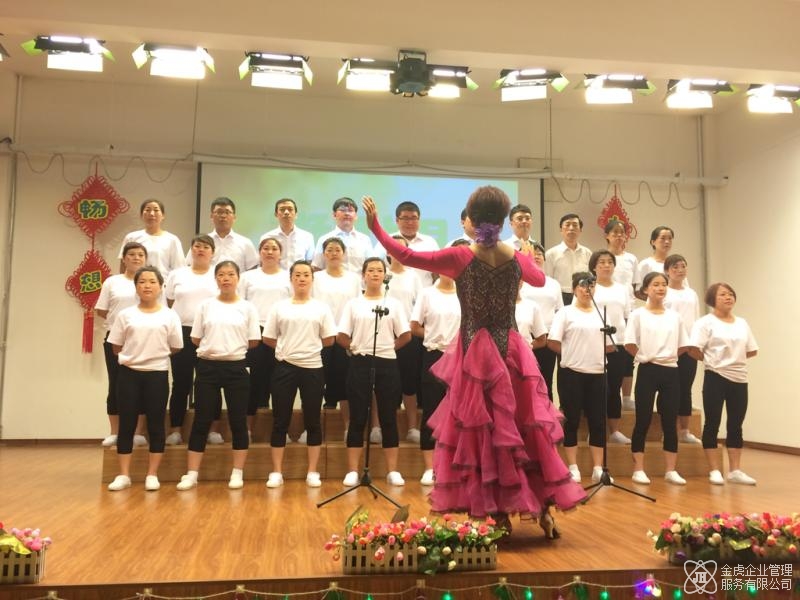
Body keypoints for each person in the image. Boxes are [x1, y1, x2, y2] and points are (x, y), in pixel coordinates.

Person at [363, 188, 585, 537]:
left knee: (485, 433)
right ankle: (543, 513)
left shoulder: (460, 256)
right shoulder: (515, 257)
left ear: (472, 219)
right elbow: (540, 280)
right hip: (511, 352)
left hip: (476, 356)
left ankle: (498, 515)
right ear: (502, 220)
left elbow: (405, 254)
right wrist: (527, 257)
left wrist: (375, 225)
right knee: (522, 431)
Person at [176, 261, 261, 490]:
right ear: (216, 279)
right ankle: (192, 474)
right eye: (221, 275)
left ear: (238, 279)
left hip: (236, 368)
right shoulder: (206, 306)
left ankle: (237, 473)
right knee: (201, 419)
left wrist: (230, 347)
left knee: (238, 421)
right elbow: (195, 338)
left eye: (231, 274)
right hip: (208, 367)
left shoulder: (247, 308)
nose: (226, 278)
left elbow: (254, 340)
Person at [106, 266, 183, 491]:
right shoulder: (125, 315)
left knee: (156, 424)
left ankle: (152, 474)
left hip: (157, 374)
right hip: (129, 374)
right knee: (127, 424)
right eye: (142, 282)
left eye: (152, 282)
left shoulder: (170, 315)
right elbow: (116, 346)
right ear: (136, 287)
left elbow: (176, 346)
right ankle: (124, 475)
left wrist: (152, 356)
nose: (147, 286)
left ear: (160, 287)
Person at [337, 257, 411, 487]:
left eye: (380, 270)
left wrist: (387, 348)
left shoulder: (394, 304)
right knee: (358, 416)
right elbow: (341, 335)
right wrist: (354, 348)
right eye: (371, 270)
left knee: (388, 416)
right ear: (364, 275)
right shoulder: (353, 304)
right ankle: (352, 470)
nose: (375, 274)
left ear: (385, 276)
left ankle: (393, 471)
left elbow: (405, 335)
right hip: (360, 362)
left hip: (387, 362)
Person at [263, 261, 337, 488]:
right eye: (297, 275)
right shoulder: (279, 307)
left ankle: (312, 471)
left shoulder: (321, 308)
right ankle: (276, 472)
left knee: (313, 419)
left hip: (313, 367)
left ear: (312, 279)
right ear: (291, 279)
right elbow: (268, 337)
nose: (302, 278)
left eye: (306, 275)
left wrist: (307, 350)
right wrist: (286, 350)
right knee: (280, 419)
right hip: (284, 367)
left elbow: (329, 339)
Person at [689, 283, 759, 486]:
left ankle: (735, 470)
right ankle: (714, 470)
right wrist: (714, 361)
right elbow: (693, 349)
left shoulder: (742, 323)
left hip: (739, 378)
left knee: (736, 424)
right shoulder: (705, 323)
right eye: (722, 294)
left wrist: (732, 359)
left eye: (730, 294)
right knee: (712, 422)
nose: (728, 297)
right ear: (712, 299)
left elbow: (752, 350)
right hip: (715, 376)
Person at [624, 271, 690, 486]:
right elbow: (629, 343)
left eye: (663, 284)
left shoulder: (674, 316)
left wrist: (666, 356)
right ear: (645, 289)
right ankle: (638, 469)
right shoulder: (638, 315)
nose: (660, 288)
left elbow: (683, 345)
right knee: (643, 419)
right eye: (655, 284)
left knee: (669, 420)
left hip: (670, 370)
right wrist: (645, 356)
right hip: (647, 369)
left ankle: (671, 470)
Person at [548, 272, 613, 484]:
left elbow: (610, 345)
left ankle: (597, 468)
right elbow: (553, 341)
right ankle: (573, 466)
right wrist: (570, 355)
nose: (587, 290)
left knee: (598, 421)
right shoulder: (565, 313)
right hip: (572, 373)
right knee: (572, 419)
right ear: (575, 289)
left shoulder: (602, 313)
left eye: (591, 285)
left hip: (597, 372)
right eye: (583, 286)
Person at [409, 241, 465, 486]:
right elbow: (414, 326)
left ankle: (459, 467)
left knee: (461, 413)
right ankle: (430, 468)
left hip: (462, 358)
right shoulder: (427, 293)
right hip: (434, 356)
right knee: (431, 411)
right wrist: (433, 337)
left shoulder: (466, 292)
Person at [163, 235, 221, 446]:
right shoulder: (177, 274)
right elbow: (169, 302)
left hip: (210, 333)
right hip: (182, 332)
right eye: (197, 246)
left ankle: (213, 430)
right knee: (181, 383)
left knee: (210, 383)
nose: (200, 250)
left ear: (212, 252)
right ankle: (176, 430)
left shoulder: (218, 274)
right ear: (191, 250)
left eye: (205, 247)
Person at [96, 242, 149, 448]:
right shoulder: (112, 282)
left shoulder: (149, 281)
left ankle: (138, 432)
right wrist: (121, 326)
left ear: (146, 259)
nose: (136, 258)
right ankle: (114, 432)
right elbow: (102, 310)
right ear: (124, 259)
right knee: (116, 384)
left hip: (144, 339)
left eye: (140, 255)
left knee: (143, 386)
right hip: (116, 339)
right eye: (132, 254)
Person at [239, 237, 292, 435]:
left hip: (281, 333)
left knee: (280, 382)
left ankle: (280, 430)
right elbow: (240, 304)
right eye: (266, 248)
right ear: (259, 253)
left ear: (280, 254)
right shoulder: (247, 277)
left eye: (274, 249)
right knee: (254, 380)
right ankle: (247, 429)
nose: (270, 252)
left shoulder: (288, 276)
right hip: (255, 331)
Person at [312, 237, 361, 426]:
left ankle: (348, 425)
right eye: (329, 250)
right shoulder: (315, 278)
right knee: (318, 379)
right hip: (320, 335)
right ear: (323, 254)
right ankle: (314, 424)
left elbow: (357, 306)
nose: (333, 253)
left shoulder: (353, 279)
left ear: (344, 253)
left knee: (343, 378)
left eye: (337, 250)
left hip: (344, 334)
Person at [589, 249, 632, 444]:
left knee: (614, 388)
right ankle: (595, 430)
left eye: (610, 262)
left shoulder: (622, 289)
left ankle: (614, 431)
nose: (606, 265)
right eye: (602, 262)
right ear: (594, 267)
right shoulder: (589, 287)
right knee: (596, 389)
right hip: (594, 344)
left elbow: (626, 316)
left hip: (618, 343)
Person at [385, 235, 423, 443]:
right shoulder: (382, 274)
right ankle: (382, 427)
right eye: (393, 248)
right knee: (385, 384)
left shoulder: (413, 277)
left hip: (408, 336)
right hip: (384, 335)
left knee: (409, 383)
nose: (397, 252)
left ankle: (412, 428)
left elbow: (419, 306)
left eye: (402, 249)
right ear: (387, 251)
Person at [663, 254, 702, 444]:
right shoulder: (664, 292)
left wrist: (694, 344)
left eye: (683, 266)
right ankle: (668, 430)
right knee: (668, 390)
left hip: (688, 347)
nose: (680, 270)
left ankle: (685, 430)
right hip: (669, 347)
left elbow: (696, 319)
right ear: (667, 271)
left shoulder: (691, 293)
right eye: (675, 267)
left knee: (685, 388)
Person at [519, 243, 563, 401]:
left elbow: (559, 310)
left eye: (539, 253)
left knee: (546, 378)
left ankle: (547, 413)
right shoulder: (519, 281)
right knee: (524, 380)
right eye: (532, 253)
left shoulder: (553, 283)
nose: (536, 256)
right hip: (523, 336)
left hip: (547, 336)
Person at [604, 219, 638, 411]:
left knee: (627, 357)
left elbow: (634, 286)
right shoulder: (602, 257)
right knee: (608, 358)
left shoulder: (631, 259)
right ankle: (608, 397)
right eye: (614, 232)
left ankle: (626, 398)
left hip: (628, 310)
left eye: (622, 233)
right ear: (607, 236)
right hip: (608, 311)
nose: (619, 236)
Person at [188, 197, 259, 271]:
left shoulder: (245, 243)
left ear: (234, 217)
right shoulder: (201, 242)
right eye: (219, 212)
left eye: (227, 212)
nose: (223, 216)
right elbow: (189, 265)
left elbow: (252, 271)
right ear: (211, 216)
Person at [118, 199, 184, 277]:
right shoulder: (131, 237)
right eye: (148, 210)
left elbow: (179, 269)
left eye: (156, 210)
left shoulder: (172, 240)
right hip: (135, 282)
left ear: (163, 215)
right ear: (141, 215)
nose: (152, 214)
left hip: (163, 283)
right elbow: (123, 265)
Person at [312, 197, 376, 273]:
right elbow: (317, 267)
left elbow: (372, 265)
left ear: (356, 216)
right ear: (334, 215)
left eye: (350, 210)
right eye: (342, 210)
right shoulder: (324, 239)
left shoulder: (365, 239)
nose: (347, 213)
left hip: (359, 280)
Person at [386, 201, 440, 287]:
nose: (410, 222)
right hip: (394, 292)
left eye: (414, 218)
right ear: (397, 220)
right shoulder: (386, 241)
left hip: (425, 291)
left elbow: (437, 272)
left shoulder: (430, 242)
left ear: (419, 219)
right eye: (405, 218)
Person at [545, 213, 592, 305]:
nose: (571, 228)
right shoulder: (551, 254)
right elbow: (548, 279)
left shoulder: (587, 253)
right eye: (567, 225)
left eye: (575, 225)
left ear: (580, 230)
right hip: (560, 296)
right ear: (561, 229)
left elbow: (591, 278)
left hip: (582, 295)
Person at [260, 198, 315, 270]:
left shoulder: (307, 237)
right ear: (276, 214)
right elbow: (262, 263)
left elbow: (310, 263)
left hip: (299, 276)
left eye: (290, 209)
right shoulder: (266, 237)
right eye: (282, 209)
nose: (286, 212)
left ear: (296, 214)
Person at [634, 226, 674, 300]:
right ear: (653, 242)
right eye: (663, 238)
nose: (667, 241)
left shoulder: (675, 264)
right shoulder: (646, 264)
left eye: (670, 238)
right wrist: (655, 301)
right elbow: (638, 291)